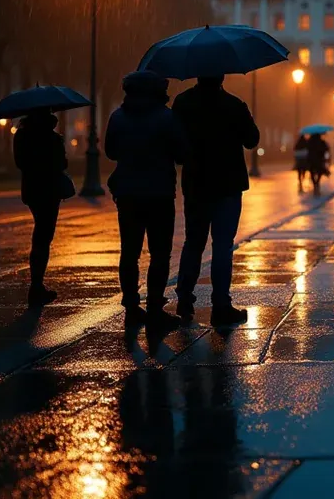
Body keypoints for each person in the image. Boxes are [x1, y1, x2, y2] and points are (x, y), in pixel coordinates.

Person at [173, 75, 260, 326]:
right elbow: (252, 140)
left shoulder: (183, 103)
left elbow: (176, 145)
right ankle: (220, 304)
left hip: (197, 183)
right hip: (228, 183)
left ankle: (185, 300)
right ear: (222, 76)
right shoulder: (234, 104)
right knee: (223, 246)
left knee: (194, 242)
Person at [104, 71, 187, 328]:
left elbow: (110, 152)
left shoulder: (118, 117)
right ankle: (154, 307)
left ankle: (131, 305)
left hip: (128, 193)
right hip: (159, 192)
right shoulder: (167, 117)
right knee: (159, 253)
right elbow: (182, 154)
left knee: (129, 251)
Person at [13, 109, 72, 306]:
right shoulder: (52, 137)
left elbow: (20, 162)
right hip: (50, 189)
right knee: (44, 236)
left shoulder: (21, 135)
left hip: (31, 189)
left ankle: (37, 285)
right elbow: (61, 164)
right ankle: (36, 286)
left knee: (41, 232)